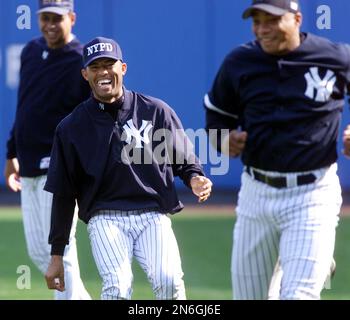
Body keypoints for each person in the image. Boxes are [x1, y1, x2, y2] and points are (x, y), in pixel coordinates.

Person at [44, 36, 213, 300]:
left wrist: (195, 178)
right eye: (95, 66)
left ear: (122, 68)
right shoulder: (71, 128)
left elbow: (184, 160)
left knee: (169, 281)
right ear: (85, 74)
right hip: (105, 217)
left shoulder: (155, 111)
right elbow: (64, 196)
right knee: (117, 287)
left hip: (152, 213)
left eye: (109, 64)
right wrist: (56, 255)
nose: (103, 72)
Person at [204, 0, 350, 300]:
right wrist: (222, 139)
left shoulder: (334, 57)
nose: (262, 29)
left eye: (271, 20)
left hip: (312, 194)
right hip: (257, 193)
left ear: (296, 19)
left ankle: (309, 258)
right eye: (256, 21)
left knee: (298, 296)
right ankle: (306, 258)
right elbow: (216, 118)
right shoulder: (240, 62)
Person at [3, 0, 91, 299]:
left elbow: (91, 118)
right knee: (41, 254)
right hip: (27, 164)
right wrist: (11, 152)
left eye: (57, 18)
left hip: (59, 168)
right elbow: (24, 106)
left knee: (59, 254)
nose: (50, 25)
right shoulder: (30, 51)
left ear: (72, 18)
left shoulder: (82, 60)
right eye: (45, 18)